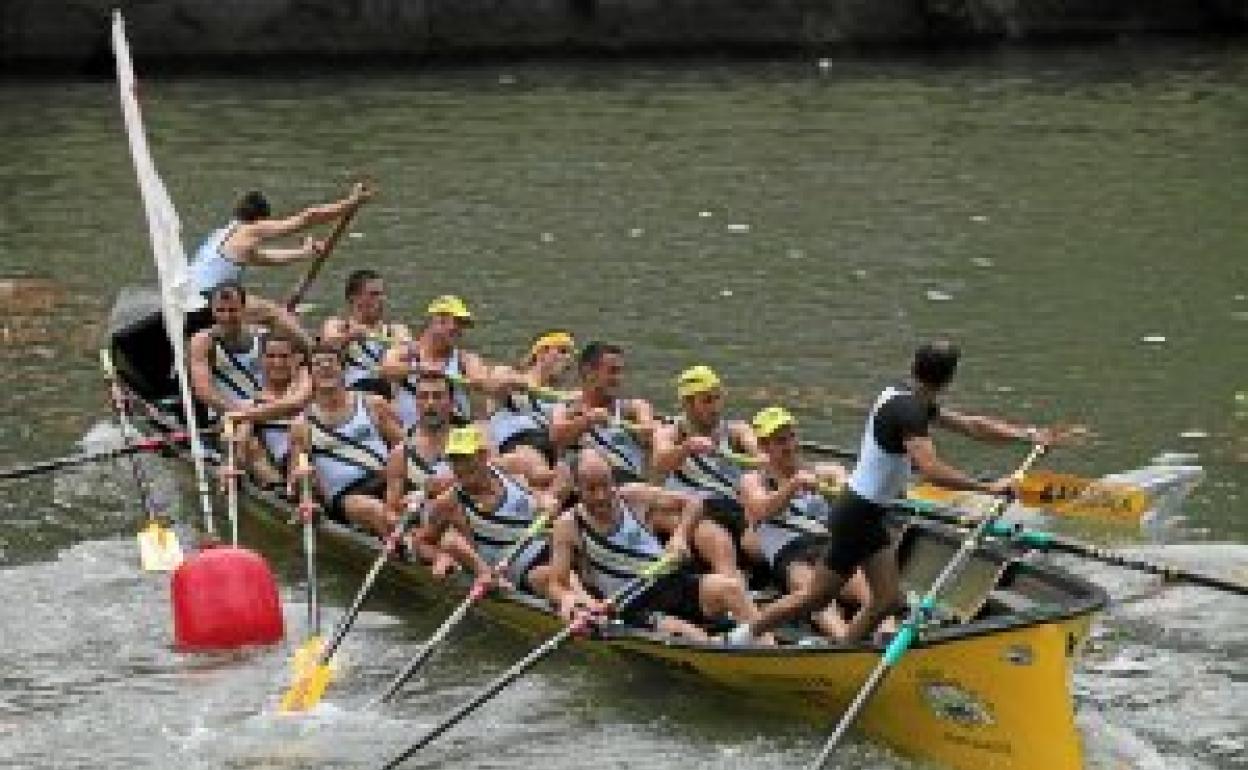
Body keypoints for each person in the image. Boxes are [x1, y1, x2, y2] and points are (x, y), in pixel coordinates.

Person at [728, 341, 1077, 644]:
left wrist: (1029, 435)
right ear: (949, 380)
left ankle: (846, 649)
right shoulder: (908, 410)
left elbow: (972, 426)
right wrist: (988, 488)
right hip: (856, 515)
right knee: (816, 599)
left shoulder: (900, 395)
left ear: (913, 368)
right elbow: (930, 469)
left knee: (888, 601)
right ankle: (745, 634)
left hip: (867, 514)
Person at [547, 449, 765, 642]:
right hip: (631, 605)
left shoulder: (632, 496)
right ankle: (721, 650)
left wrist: (680, 535)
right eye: (591, 489)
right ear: (576, 487)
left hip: (671, 582)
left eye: (606, 485)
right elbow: (557, 584)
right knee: (693, 637)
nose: (602, 496)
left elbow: (694, 503)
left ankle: (770, 648)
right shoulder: (567, 526)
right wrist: (572, 602)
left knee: (731, 588)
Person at [737, 406, 870, 642]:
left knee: (871, 591)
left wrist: (842, 486)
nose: (789, 446)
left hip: (829, 548)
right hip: (790, 557)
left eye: (791, 437)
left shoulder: (822, 472)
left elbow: (846, 481)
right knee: (816, 595)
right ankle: (846, 643)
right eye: (780, 441)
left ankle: (887, 635)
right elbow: (761, 509)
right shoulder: (752, 481)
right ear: (764, 447)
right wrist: (792, 486)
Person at [186, 183, 372, 344]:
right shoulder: (252, 229)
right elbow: (309, 216)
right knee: (276, 314)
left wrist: (304, 253)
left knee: (264, 320)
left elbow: (266, 258)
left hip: (189, 303)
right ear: (262, 218)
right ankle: (314, 354)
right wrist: (352, 202)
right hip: (208, 302)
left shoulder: (223, 235)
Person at [421, 426, 562, 598]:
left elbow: (541, 492)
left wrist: (546, 500)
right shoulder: (448, 503)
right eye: (455, 459)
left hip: (551, 544)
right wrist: (440, 557)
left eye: (465, 457)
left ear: (483, 456)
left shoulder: (507, 469)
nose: (460, 465)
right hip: (518, 567)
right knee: (554, 577)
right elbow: (422, 542)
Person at [651, 365, 761, 579]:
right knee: (715, 535)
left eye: (718, 398)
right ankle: (730, 582)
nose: (716, 407)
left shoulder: (737, 430)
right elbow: (659, 463)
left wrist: (761, 457)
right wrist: (686, 448)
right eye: (707, 401)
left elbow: (758, 451)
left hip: (732, 508)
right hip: (691, 508)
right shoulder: (670, 432)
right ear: (688, 404)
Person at [288, 344, 406, 540]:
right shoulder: (302, 425)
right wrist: (302, 480)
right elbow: (294, 483)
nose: (325, 367)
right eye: (318, 364)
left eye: (331, 363)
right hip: (345, 497)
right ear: (311, 375)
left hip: (388, 481)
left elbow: (405, 449)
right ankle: (404, 546)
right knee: (376, 511)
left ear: (343, 370)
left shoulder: (373, 404)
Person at [550, 342, 655, 484]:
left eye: (620, 372)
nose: (618, 378)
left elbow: (648, 430)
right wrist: (588, 420)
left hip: (626, 484)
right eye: (612, 371)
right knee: (587, 457)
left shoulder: (634, 408)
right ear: (589, 372)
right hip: (585, 486)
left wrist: (643, 432)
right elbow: (556, 438)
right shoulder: (566, 407)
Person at [380, 295, 490, 427]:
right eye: (458, 323)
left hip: (454, 435)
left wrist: (477, 381)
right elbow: (386, 369)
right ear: (438, 322)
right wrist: (420, 369)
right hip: (411, 437)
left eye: (463, 325)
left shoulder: (465, 359)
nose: (460, 331)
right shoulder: (405, 353)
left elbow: (482, 380)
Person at [222, 333, 312, 489]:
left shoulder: (310, 385)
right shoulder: (249, 405)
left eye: (284, 356)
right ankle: (278, 488)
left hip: (312, 460)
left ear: (297, 359)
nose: (277, 363)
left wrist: (244, 415)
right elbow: (240, 434)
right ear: (261, 360)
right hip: (275, 466)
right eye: (271, 356)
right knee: (244, 434)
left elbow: (296, 402)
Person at [486, 330, 578, 470]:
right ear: (542, 353)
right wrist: (522, 384)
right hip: (517, 444)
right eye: (563, 351)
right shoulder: (510, 376)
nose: (568, 359)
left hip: (550, 449)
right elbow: (496, 382)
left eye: (570, 354)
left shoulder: (560, 397)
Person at [320, 269, 411, 396]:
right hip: (353, 397)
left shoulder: (397, 329)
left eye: (382, 294)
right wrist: (350, 336)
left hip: (389, 395)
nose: (381, 299)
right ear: (354, 298)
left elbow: (404, 349)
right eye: (374, 294)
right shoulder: (338, 325)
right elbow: (328, 343)